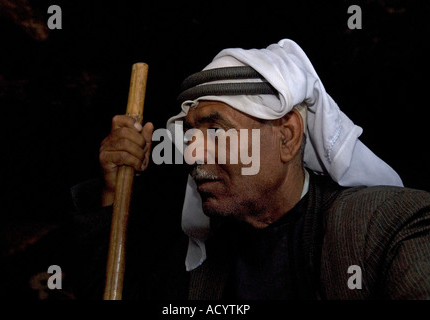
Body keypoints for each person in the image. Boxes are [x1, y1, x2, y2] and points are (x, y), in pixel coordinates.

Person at [89, 39, 430, 299]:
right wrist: (113, 194)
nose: (192, 153)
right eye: (191, 134)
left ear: (288, 136)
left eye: (217, 130)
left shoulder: (388, 227)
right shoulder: (206, 256)